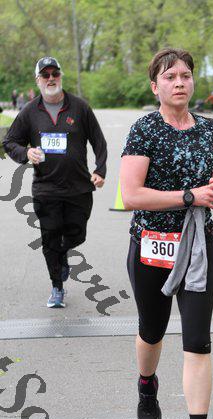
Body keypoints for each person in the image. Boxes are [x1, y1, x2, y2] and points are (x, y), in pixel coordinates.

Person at [120, 48, 213, 419]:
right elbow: (131, 195)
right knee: (152, 330)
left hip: (198, 244)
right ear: (156, 86)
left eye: (185, 75)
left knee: (197, 340)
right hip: (151, 245)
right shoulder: (145, 129)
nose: (180, 82)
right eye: (170, 77)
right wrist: (189, 196)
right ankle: (147, 384)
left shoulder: (211, 129)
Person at [3, 56, 107, 308]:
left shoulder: (80, 107)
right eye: (45, 75)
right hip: (46, 189)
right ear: (37, 80)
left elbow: (98, 141)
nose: (51, 79)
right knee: (50, 239)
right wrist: (26, 152)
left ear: (60, 76)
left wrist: (100, 170)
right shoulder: (29, 111)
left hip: (79, 187)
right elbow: (9, 142)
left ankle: (63, 252)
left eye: (55, 74)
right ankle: (57, 286)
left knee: (76, 234)